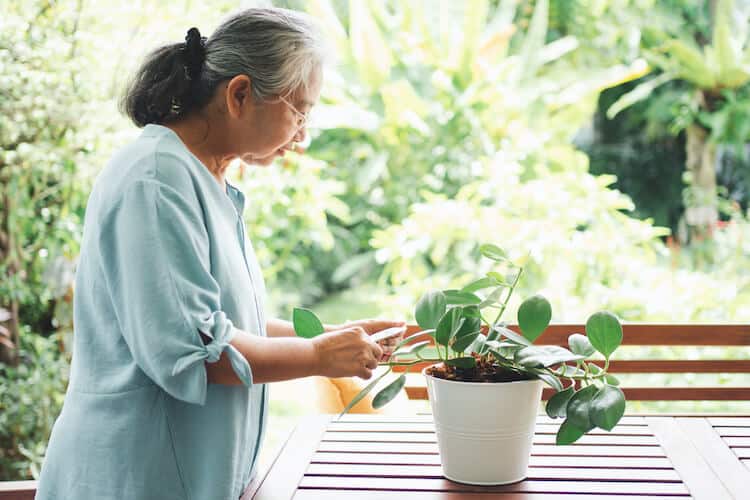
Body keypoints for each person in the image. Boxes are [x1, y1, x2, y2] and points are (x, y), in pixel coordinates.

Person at [36, 8, 404, 500]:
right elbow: (195, 353)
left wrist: (333, 335)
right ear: (240, 94)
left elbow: (223, 324)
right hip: (134, 478)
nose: (303, 136)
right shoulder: (155, 180)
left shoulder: (203, 179)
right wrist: (318, 355)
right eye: (299, 111)